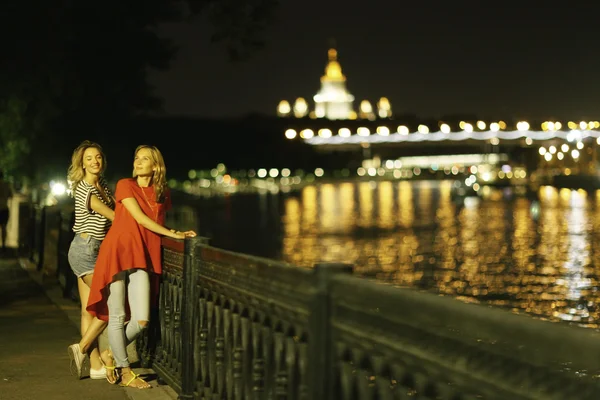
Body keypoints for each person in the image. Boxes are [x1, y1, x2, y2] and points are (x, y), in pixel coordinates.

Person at [87, 145, 196, 389]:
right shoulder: (126, 185)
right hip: (117, 250)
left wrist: (170, 235)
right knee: (117, 315)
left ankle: (111, 354)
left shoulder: (162, 192)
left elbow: (155, 223)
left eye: (144, 158)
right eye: (136, 157)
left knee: (142, 319)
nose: (137, 162)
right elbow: (140, 219)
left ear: (155, 165)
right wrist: (175, 234)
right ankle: (126, 372)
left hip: (142, 255)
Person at [65, 141, 117, 383]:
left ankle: (95, 366)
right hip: (85, 250)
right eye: (89, 158)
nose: (95, 161)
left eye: (97, 157)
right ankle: (83, 347)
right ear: (81, 163)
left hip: (94, 250)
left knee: (89, 311)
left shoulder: (103, 186)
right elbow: (115, 217)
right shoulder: (85, 189)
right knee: (110, 306)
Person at [0, 170, 13, 253]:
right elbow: (11, 195)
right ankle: (3, 244)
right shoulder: (6, 185)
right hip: (4, 208)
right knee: (4, 227)